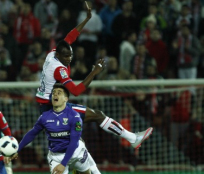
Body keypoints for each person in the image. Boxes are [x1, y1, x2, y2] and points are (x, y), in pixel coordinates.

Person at [36, 1, 153, 154]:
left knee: (83, 131)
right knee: (97, 116)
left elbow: (71, 36)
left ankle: (130, 139)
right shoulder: (58, 69)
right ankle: (132, 139)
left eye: (70, 56)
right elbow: (76, 91)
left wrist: (86, 19)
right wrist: (94, 73)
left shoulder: (54, 53)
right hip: (52, 109)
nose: (68, 59)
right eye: (65, 57)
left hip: (49, 105)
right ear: (58, 55)